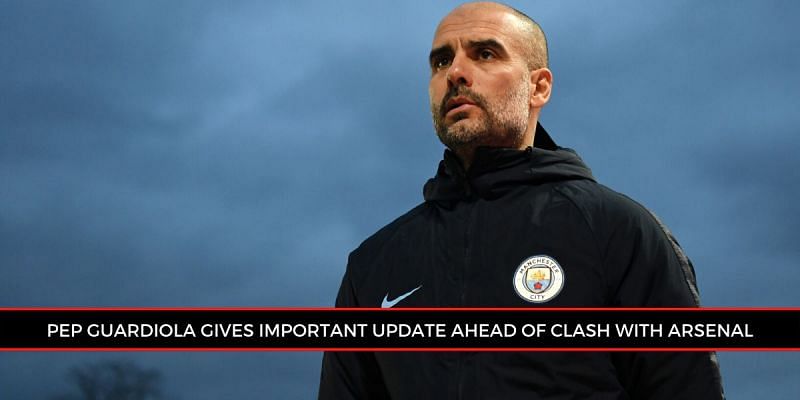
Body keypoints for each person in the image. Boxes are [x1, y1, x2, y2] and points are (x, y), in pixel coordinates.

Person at [319, 2, 725, 399]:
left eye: (485, 53)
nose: (456, 73)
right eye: (441, 62)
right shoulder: (374, 265)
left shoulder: (618, 232)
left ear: (538, 86)